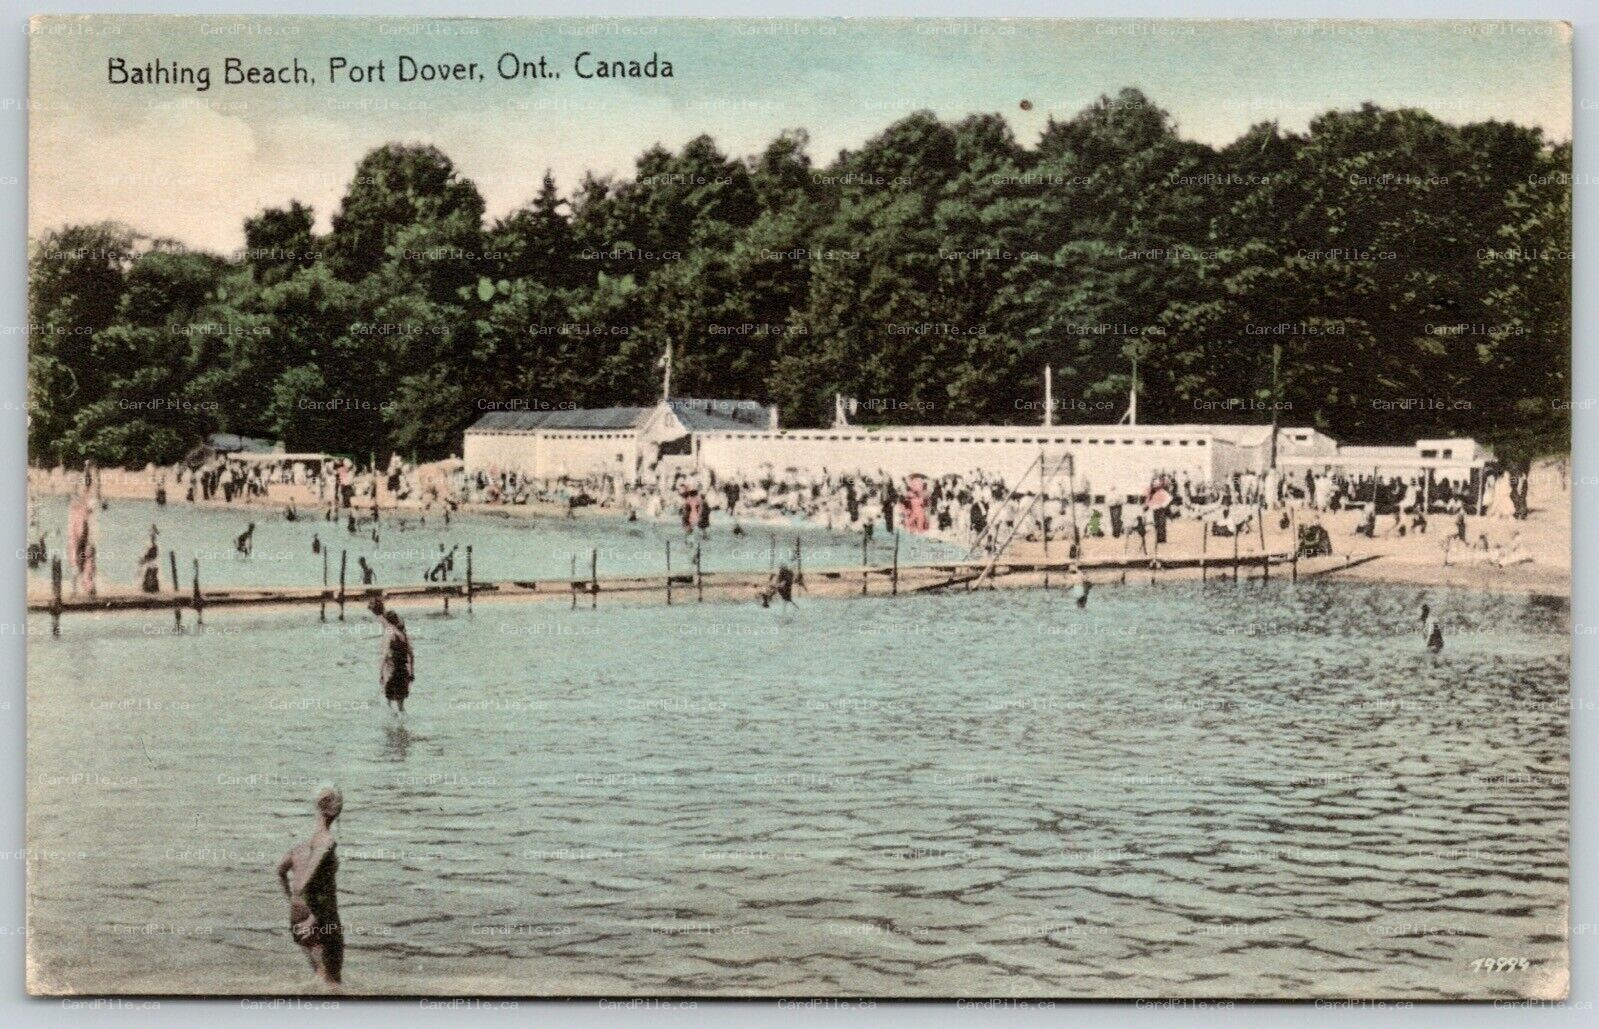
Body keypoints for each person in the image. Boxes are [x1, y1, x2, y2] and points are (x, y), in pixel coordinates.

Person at [276, 786, 344, 989]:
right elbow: (307, 881)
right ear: (338, 810)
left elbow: (280, 870)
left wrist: (294, 904)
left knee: (320, 977)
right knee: (333, 983)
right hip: (321, 918)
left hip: (297, 917)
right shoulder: (328, 842)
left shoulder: (300, 847)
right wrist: (314, 919)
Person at [370, 600, 413, 714]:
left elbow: (385, 656)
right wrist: (412, 673)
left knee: (387, 704)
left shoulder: (389, 634)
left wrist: (380, 674)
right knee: (401, 707)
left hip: (393, 671)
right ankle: (403, 728)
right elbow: (411, 655)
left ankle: (392, 727)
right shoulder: (403, 635)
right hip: (404, 671)